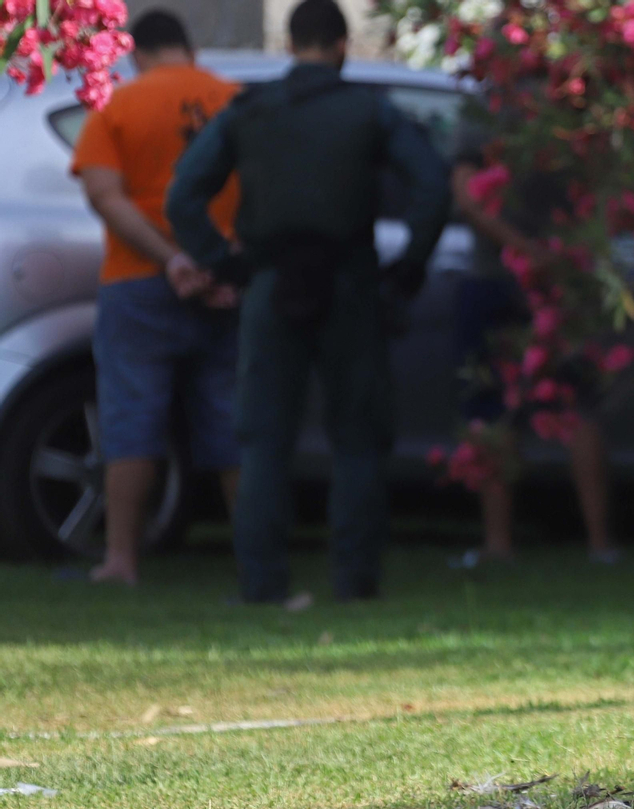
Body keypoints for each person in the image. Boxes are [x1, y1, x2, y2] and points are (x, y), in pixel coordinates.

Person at [166, 0, 450, 607]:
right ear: (343, 45)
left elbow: (185, 194)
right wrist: (409, 269)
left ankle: (262, 582)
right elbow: (431, 183)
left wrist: (226, 264)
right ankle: (355, 579)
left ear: (291, 45)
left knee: (263, 439)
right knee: (357, 438)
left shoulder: (250, 110)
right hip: (349, 282)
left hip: (272, 283)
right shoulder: (369, 111)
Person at [69, 9, 242, 586]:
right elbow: (268, 190)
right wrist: (220, 262)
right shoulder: (236, 101)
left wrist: (172, 259)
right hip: (225, 284)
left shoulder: (118, 107)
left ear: (136, 54)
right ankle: (254, 556)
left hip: (137, 281)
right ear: (188, 50)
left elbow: (103, 196)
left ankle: (121, 559)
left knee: (131, 421)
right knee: (232, 417)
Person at [448, 107, 619, 566]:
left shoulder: (486, 109)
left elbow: (466, 195)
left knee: (492, 403)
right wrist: (560, 252)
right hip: (564, 275)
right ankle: (599, 543)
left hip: (494, 275)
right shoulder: (579, 102)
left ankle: (498, 543)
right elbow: (608, 191)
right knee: (578, 404)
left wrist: (520, 249)